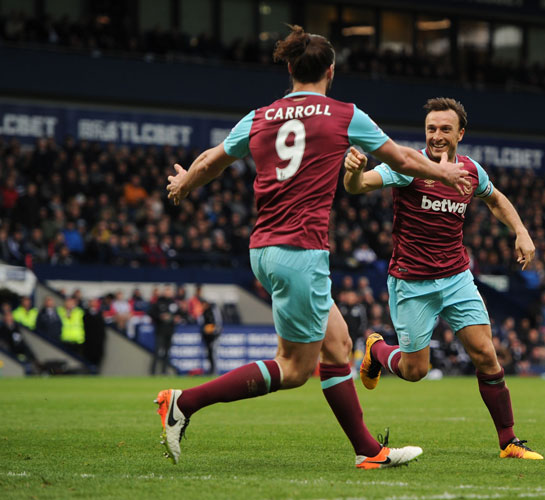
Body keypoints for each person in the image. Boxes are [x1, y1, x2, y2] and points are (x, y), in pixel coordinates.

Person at [156, 25, 471, 468]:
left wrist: (184, 182)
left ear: (289, 68)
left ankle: (368, 451)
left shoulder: (260, 116)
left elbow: (212, 159)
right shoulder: (343, 114)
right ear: (331, 70)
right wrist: (446, 174)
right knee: (293, 369)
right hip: (300, 250)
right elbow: (402, 158)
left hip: (264, 248)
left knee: (339, 344)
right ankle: (183, 403)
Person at [343, 97, 543, 459]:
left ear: (460, 133)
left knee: (486, 353)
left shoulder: (470, 170)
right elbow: (358, 187)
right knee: (415, 370)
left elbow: (496, 199)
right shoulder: (408, 165)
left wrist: (521, 231)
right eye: (431, 128)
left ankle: (509, 442)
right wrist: (354, 170)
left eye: (445, 129)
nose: (436, 135)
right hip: (412, 282)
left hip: (456, 277)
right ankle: (377, 349)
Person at [149, 285, 180, 375]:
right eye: (166, 290)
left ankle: (164, 371)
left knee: (167, 352)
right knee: (157, 351)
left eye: (169, 290)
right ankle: (153, 372)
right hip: (160, 330)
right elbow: (151, 312)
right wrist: (160, 316)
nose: (168, 292)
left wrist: (176, 318)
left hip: (170, 330)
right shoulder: (159, 302)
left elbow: (180, 314)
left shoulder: (174, 303)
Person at [199, 299, 222, 375]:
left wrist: (213, 331)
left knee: (213, 353)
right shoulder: (203, 313)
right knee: (209, 354)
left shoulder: (213, 311)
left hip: (214, 337)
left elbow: (218, 324)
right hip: (207, 337)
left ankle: (214, 371)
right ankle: (211, 370)